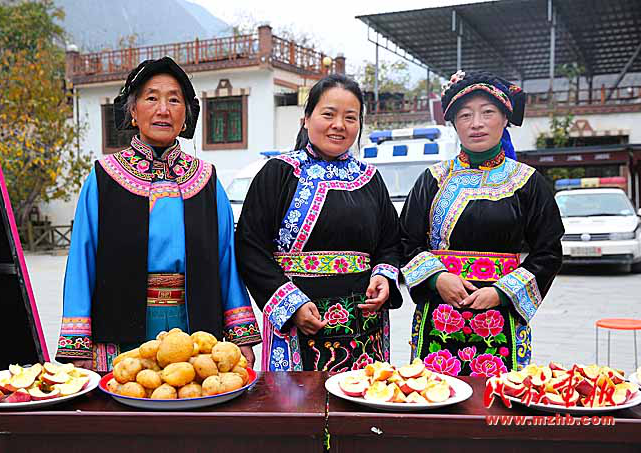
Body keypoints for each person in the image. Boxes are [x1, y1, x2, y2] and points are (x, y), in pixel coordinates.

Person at [56, 57, 260, 372]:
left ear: (185, 116)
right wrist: (76, 343)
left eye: (174, 100)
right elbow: (82, 262)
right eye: (151, 98)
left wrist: (240, 335)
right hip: (120, 328)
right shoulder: (104, 178)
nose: (163, 109)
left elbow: (226, 261)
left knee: (189, 395)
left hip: (194, 327)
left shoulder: (206, 180)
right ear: (133, 111)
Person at [400, 71, 564, 377]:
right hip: (438, 315)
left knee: (498, 397)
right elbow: (405, 242)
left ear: (504, 119)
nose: (476, 123)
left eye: (487, 112)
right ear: (454, 124)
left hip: (502, 317)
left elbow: (548, 252)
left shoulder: (527, 182)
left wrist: (501, 292)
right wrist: (437, 278)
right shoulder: (432, 179)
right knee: (434, 392)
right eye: (465, 115)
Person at [235, 74, 402, 372]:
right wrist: (291, 305)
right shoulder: (279, 172)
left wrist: (384, 277)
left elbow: (390, 242)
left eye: (350, 117)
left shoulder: (371, 179)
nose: (339, 125)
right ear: (307, 118)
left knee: (361, 396)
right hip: (299, 324)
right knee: (299, 400)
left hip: (366, 328)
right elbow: (250, 247)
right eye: (328, 114)